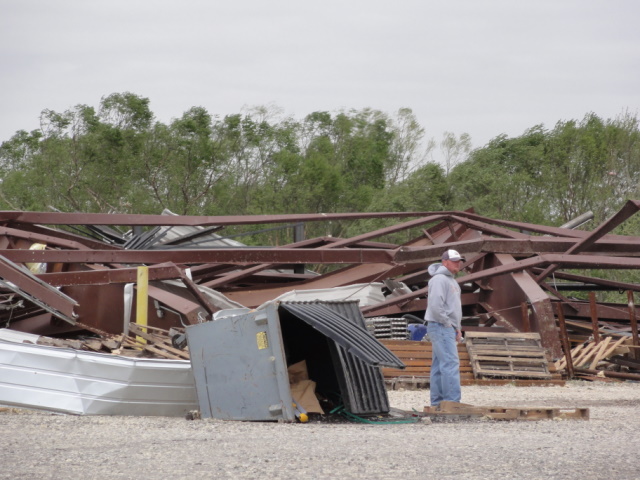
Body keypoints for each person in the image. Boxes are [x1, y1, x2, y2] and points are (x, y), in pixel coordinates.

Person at [424, 249, 464, 407]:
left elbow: (452, 307)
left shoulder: (452, 281)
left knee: (440, 365)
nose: (458, 264)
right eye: (454, 261)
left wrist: (457, 327)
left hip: (445, 326)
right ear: (444, 262)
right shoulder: (440, 279)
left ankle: (438, 403)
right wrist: (448, 324)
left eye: (459, 261)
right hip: (441, 326)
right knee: (450, 363)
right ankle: (452, 403)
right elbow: (435, 306)